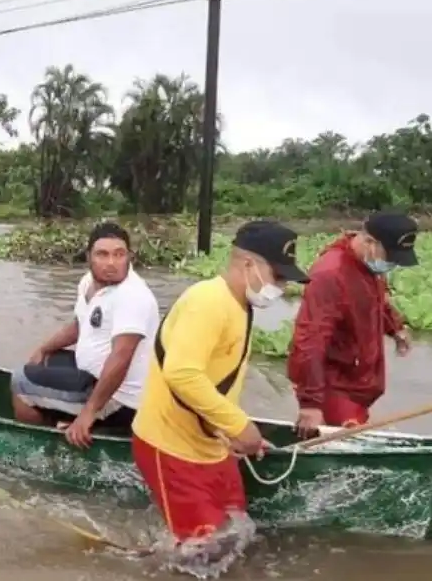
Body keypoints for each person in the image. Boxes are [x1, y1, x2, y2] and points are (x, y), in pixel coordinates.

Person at [131, 220, 310, 544]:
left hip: (212, 445)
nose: (282, 287)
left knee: (235, 533)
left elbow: (219, 381)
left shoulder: (241, 305)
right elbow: (182, 373)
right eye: (278, 276)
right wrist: (241, 426)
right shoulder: (209, 301)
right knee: (201, 551)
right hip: (172, 448)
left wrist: (232, 433)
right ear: (248, 264)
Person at [10, 222, 160, 448]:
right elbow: (80, 325)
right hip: (90, 374)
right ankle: (63, 421)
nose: (111, 263)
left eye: (119, 254)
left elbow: (121, 357)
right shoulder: (89, 283)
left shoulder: (133, 296)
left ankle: (45, 447)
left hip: (120, 399)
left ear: (129, 257)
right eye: (102, 254)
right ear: (89, 256)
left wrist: (88, 413)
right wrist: (44, 348)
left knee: (20, 381)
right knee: (46, 360)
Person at [288, 212, 418, 435]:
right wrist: (311, 403)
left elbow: (376, 300)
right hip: (335, 385)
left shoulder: (368, 265)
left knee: (353, 434)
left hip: (359, 380)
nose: (392, 264)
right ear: (369, 242)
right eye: (391, 257)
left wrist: (395, 327)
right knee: (347, 440)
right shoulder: (330, 274)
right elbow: (310, 340)